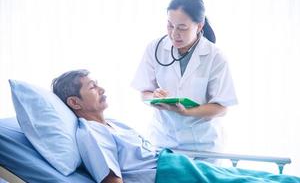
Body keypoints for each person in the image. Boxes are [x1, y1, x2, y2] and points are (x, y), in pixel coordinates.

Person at [51, 69, 300, 183]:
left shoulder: (114, 123)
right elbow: (112, 181)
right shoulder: (90, 134)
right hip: (168, 174)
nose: (102, 89)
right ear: (75, 102)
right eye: (92, 87)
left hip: (174, 162)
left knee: (250, 176)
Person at [131, 0, 238, 154]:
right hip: (163, 141)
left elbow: (221, 108)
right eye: (170, 25)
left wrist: (187, 112)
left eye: (182, 28)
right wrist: (155, 97)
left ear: (199, 26)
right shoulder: (155, 48)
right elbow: (144, 92)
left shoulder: (215, 57)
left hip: (203, 146)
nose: (174, 34)